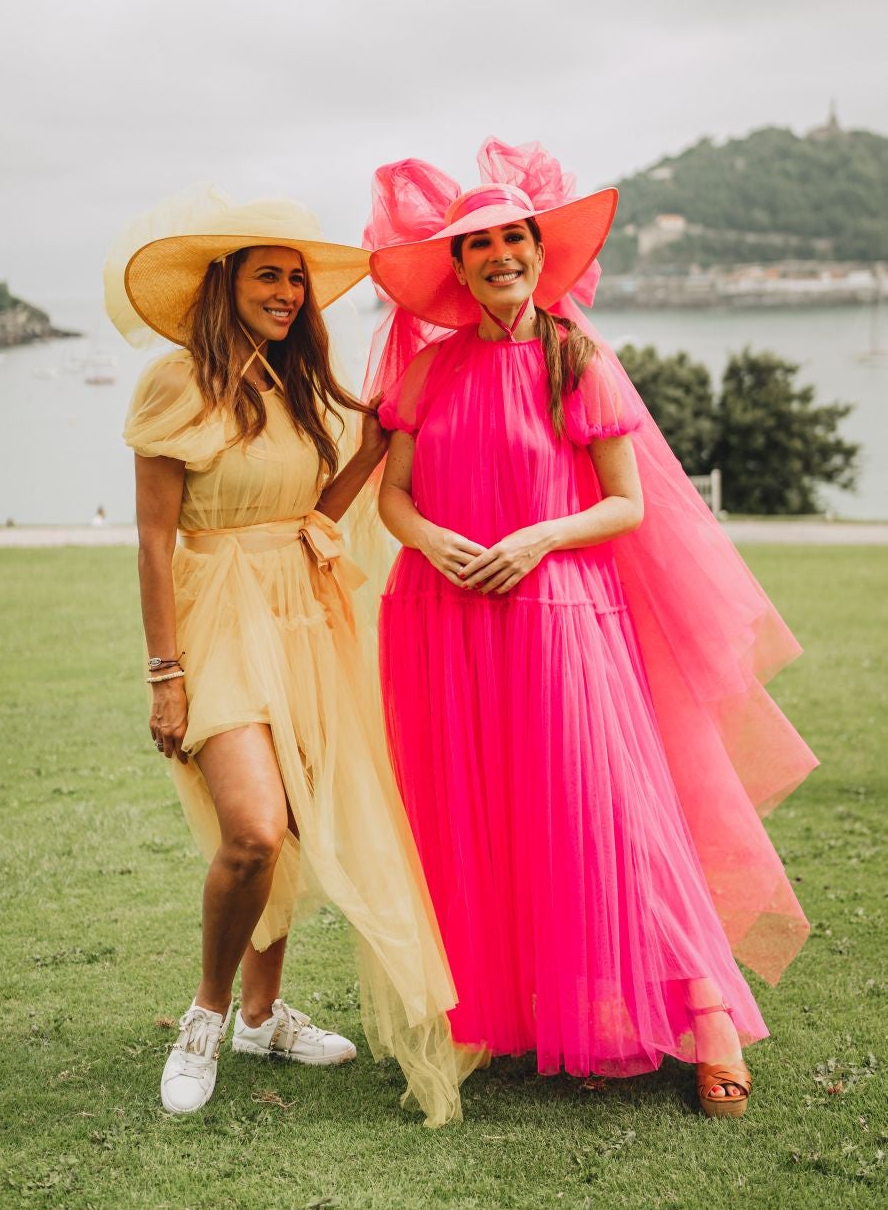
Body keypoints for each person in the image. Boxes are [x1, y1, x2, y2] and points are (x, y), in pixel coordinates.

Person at [363, 140, 817, 1119]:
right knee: (485, 813)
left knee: (612, 813)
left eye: (513, 238)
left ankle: (708, 1023)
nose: (498, 256)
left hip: (563, 616)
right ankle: (508, 1011)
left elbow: (625, 505)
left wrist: (534, 540)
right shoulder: (431, 371)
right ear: (460, 264)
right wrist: (435, 544)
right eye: (478, 244)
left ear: (539, 249)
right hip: (447, 618)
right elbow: (391, 496)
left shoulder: (579, 356)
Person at [103, 190, 465, 1124]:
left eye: (298, 279)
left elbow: (320, 508)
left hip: (304, 611)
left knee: (294, 828)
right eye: (271, 274)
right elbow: (151, 542)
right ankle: (207, 1015)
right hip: (216, 613)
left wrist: (384, 431)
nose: (291, 292)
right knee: (255, 828)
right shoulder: (174, 383)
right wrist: (164, 674)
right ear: (225, 284)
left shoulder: (300, 381)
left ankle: (263, 1016)